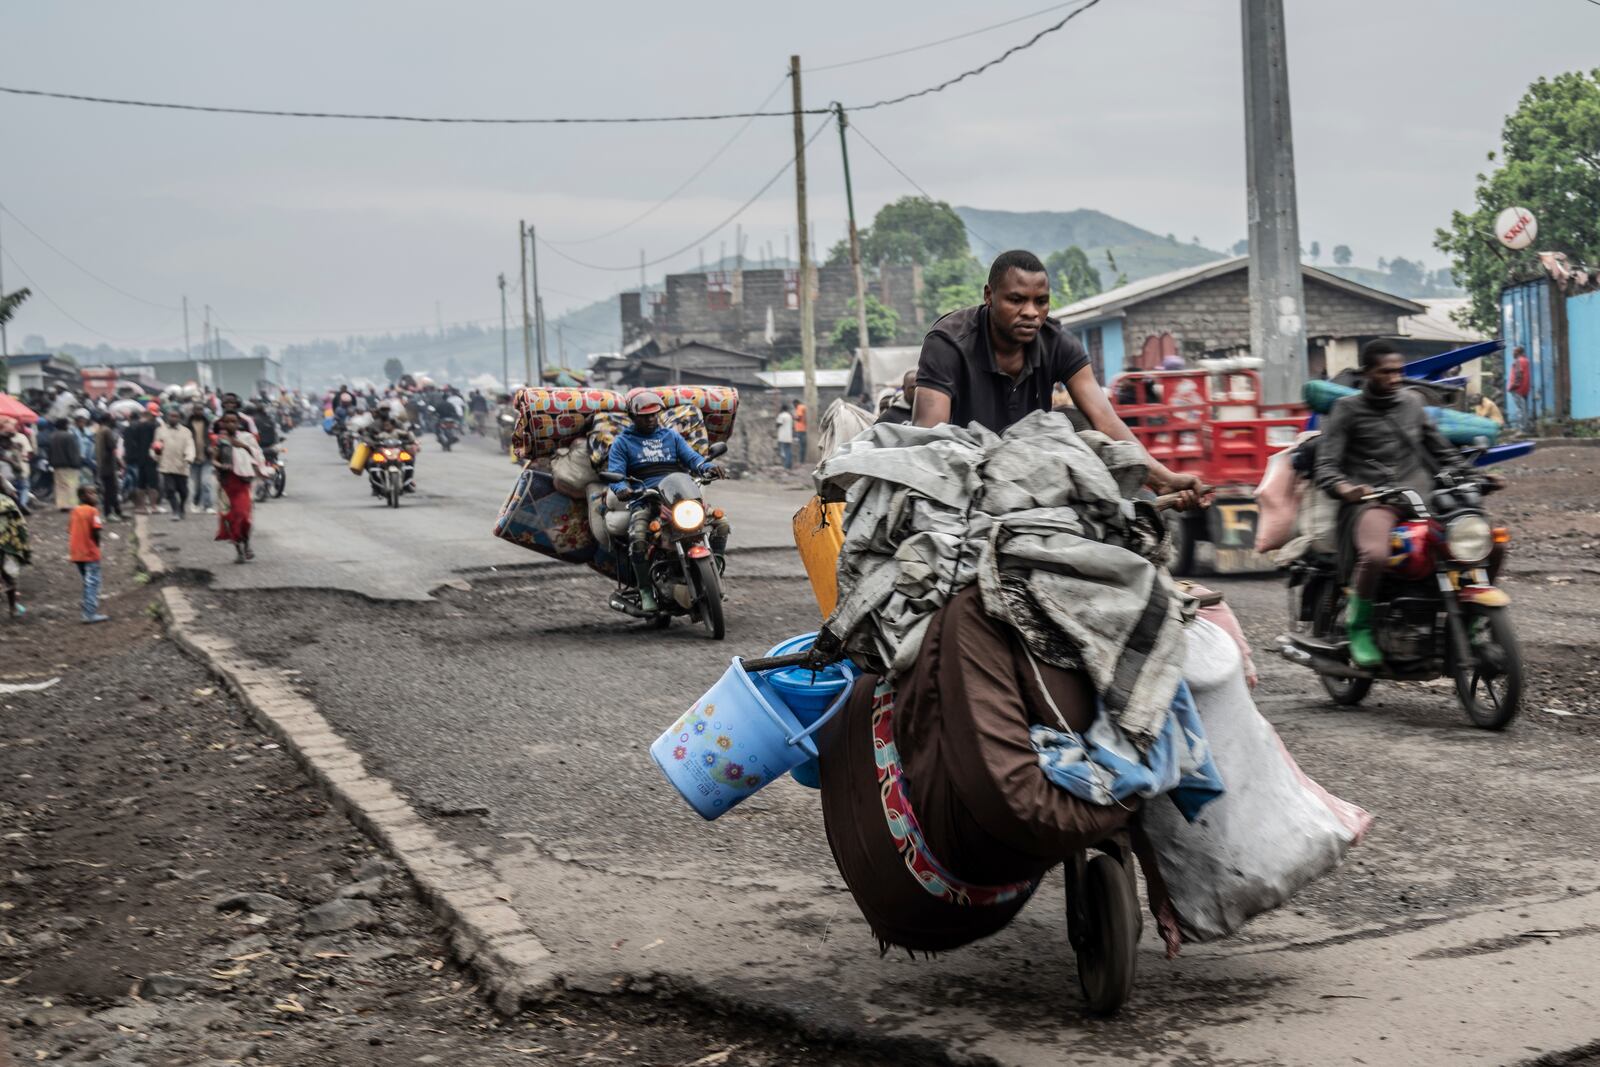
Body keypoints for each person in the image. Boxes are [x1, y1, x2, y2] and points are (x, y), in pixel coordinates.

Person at [913, 250, 1204, 507]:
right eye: (1016, 300)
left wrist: (1161, 478)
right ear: (989, 296)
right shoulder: (948, 342)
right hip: (962, 474)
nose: (1030, 312)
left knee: (1086, 434)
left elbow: (1105, 420)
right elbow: (930, 438)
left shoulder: (1058, 343)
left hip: (1033, 473)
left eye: (1041, 302)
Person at [1313, 340, 1499, 668]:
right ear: (1367, 373)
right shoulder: (1346, 410)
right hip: (1374, 501)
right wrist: (1346, 488)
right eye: (1386, 372)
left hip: (1424, 499)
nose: (1395, 378)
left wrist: (1476, 476)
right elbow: (1326, 467)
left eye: (1398, 371)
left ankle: (1473, 618)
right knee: (1376, 554)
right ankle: (1360, 627)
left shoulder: (1413, 404)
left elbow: (1441, 451)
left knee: (1489, 541)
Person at [605, 390, 724, 613]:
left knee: (721, 523)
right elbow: (616, 475)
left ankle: (714, 570)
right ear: (632, 416)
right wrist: (622, 489)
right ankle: (645, 590)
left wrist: (708, 467)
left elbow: (693, 459)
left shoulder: (671, 436)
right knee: (638, 538)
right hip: (646, 498)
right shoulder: (622, 443)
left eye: (654, 414)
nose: (651, 419)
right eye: (645, 416)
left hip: (678, 497)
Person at [211, 411, 268, 563]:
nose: (230, 424)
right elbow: (214, 460)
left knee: (244, 516)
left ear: (238, 423)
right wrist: (221, 465)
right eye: (227, 421)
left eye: (233, 421)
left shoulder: (247, 438)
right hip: (227, 484)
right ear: (222, 424)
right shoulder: (220, 440)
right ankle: (239, 551)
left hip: (243, 482)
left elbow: (257, 455)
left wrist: (243, 447)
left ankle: (247, 543)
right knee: (230, 518)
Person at [68, 485, 109, 624]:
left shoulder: (75, 511)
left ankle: (87, 607)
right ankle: (89, 613)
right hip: (90, 553)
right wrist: (97, 546)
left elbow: (70, 530)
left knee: (87, 581)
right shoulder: (93, 511)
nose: (95, 496)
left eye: (95, 493)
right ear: (83, 496)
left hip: (76, 553)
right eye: (91, 493)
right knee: (93, 583)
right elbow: (96, 532)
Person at [154, 406, 197, 520]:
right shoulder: (160, 430)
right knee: (170, 489)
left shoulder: (186, 431)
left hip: (181, 465)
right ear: (167, 417)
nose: (173, 418)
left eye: (176, 416)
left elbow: (190, 446)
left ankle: (182, 507)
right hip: (166, 465)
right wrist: (156, 453)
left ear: (180, 418)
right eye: (171, 416)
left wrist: (189, 457)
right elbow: (156, 445)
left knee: (183, 491)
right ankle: (175, 511)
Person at [0, 469, 29, 619]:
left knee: (6, 576)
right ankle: (13, 608)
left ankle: (13, 607)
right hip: (6, 546)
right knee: (8, 576)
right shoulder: (7, 502)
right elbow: (20, 525)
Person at [124, 407, 161, 514]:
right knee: (153, 484)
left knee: (141, 484)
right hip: (151, 458)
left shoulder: (133, 427)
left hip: (140, 458)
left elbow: (131, 443)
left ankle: (142, 507)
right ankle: (154, 506)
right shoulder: (155, 426)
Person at [92, 413, 124, 522]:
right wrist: (120, 462)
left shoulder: (99, 430)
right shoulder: (107, 431)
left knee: (109, 489)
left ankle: (117, 511)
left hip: (101, 464)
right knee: (110, 490)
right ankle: (109, 513)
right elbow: (112, 446)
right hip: (108, 464)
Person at [185, 402, 215, 513]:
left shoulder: (208, 424)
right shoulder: (187, 424)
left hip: (206, 457)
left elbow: (214, 438)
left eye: (201, 410)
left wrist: (212, 447)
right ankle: (196, 502)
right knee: (197, 484)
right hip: (193, 458)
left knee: (206, 482)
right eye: (197, 409)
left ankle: (208, 505)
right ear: (193, 411)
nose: (199, 412)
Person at [47, 417, 81, 510]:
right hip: (69, 465)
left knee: (59, 486)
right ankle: (71, 504)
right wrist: (76, 464)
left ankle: (62, 504)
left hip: (56, 465)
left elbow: (49, 452)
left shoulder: (52, 436)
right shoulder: (69, 436)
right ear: (65, 425)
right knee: (71, 485)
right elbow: (72, 452)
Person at [1508, 346, 1532, 430]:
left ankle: (1522, 429)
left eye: (1514, 352)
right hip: (1525, 389)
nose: (1512, 353)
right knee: (1523, 409)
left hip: (1517, 389)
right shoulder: (1526, 361)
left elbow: (1518, 375)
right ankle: (1525, 427)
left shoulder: (1518, 361)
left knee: (1520, 409)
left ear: (1517, 353)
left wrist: (1512, 387)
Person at [775, 402, 795, 470]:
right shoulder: (789, 415)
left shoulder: (782, 415)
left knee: (784, 451)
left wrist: (776, 421)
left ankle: (786, 466)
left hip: (783, 436)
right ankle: (789, 465)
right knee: (788, 450)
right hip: (789, 435)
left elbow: (778, 424)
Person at [793, 399, 808, 464]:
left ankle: (801, 461)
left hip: (800, 429)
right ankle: (802, 460)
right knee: (803, 445)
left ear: (796, 403)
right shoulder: (803, 407)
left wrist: (792, 417)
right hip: (804, 429)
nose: (794, 406)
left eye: (794, 405)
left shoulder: (799, 407)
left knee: (801, 445)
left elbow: (799, 418)